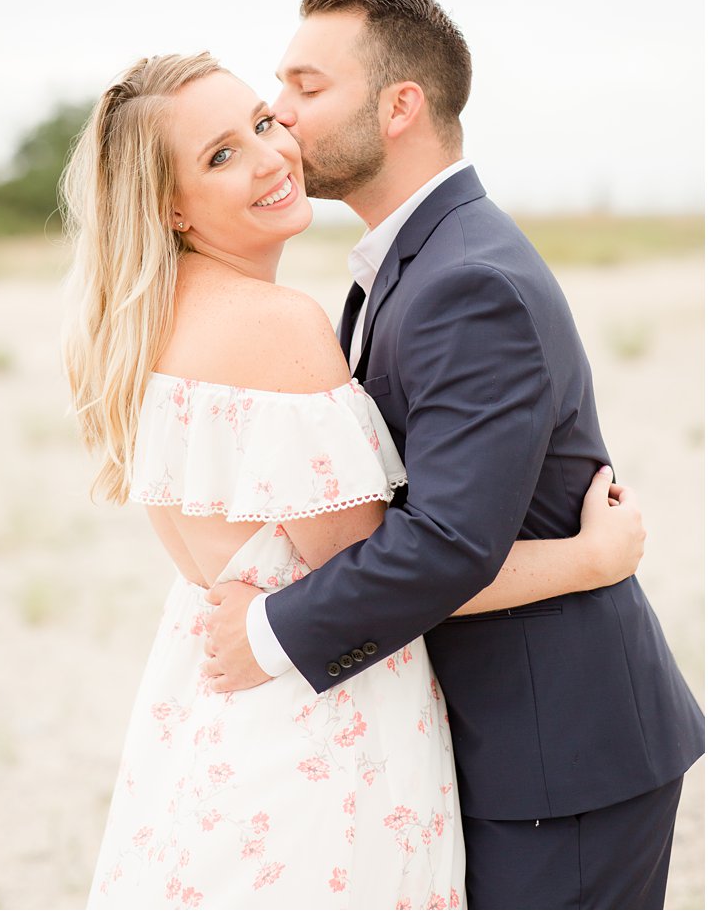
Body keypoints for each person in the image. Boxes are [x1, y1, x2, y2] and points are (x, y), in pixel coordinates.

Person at [61, 47, 652, 907]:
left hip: (206, 719)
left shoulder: (134, 334)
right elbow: (387, 574)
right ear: (170, 207)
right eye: (221, 155)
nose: (271, 154)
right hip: (319, 720)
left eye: (263, 122)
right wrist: (593, 559)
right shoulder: (279, 326)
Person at [198, 0, 704, 908]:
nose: (278, 109)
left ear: (400, 106)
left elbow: (447, 540)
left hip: (559, 760)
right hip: (498, 742)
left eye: (307, 86)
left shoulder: (469, 281)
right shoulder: (413, 261)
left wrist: (269, 633)